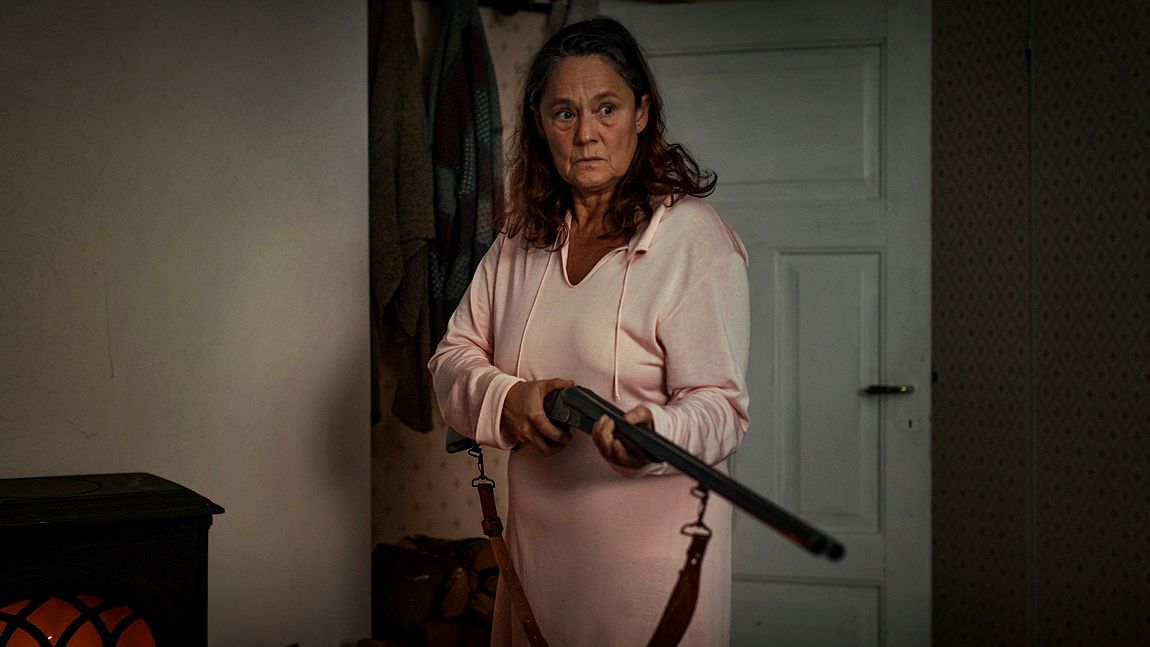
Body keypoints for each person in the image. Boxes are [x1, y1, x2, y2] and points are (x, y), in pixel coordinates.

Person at [428, 17, 750, 646]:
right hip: (536, 561)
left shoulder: (694, 241)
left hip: (653, 572)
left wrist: (657, 435)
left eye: (606, 108)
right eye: (564, 113)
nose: (586, 134)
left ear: (641, 113)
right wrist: (509, 399)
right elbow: (451, 358)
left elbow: (722, 408)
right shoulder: (520, 240)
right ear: (539, 123)